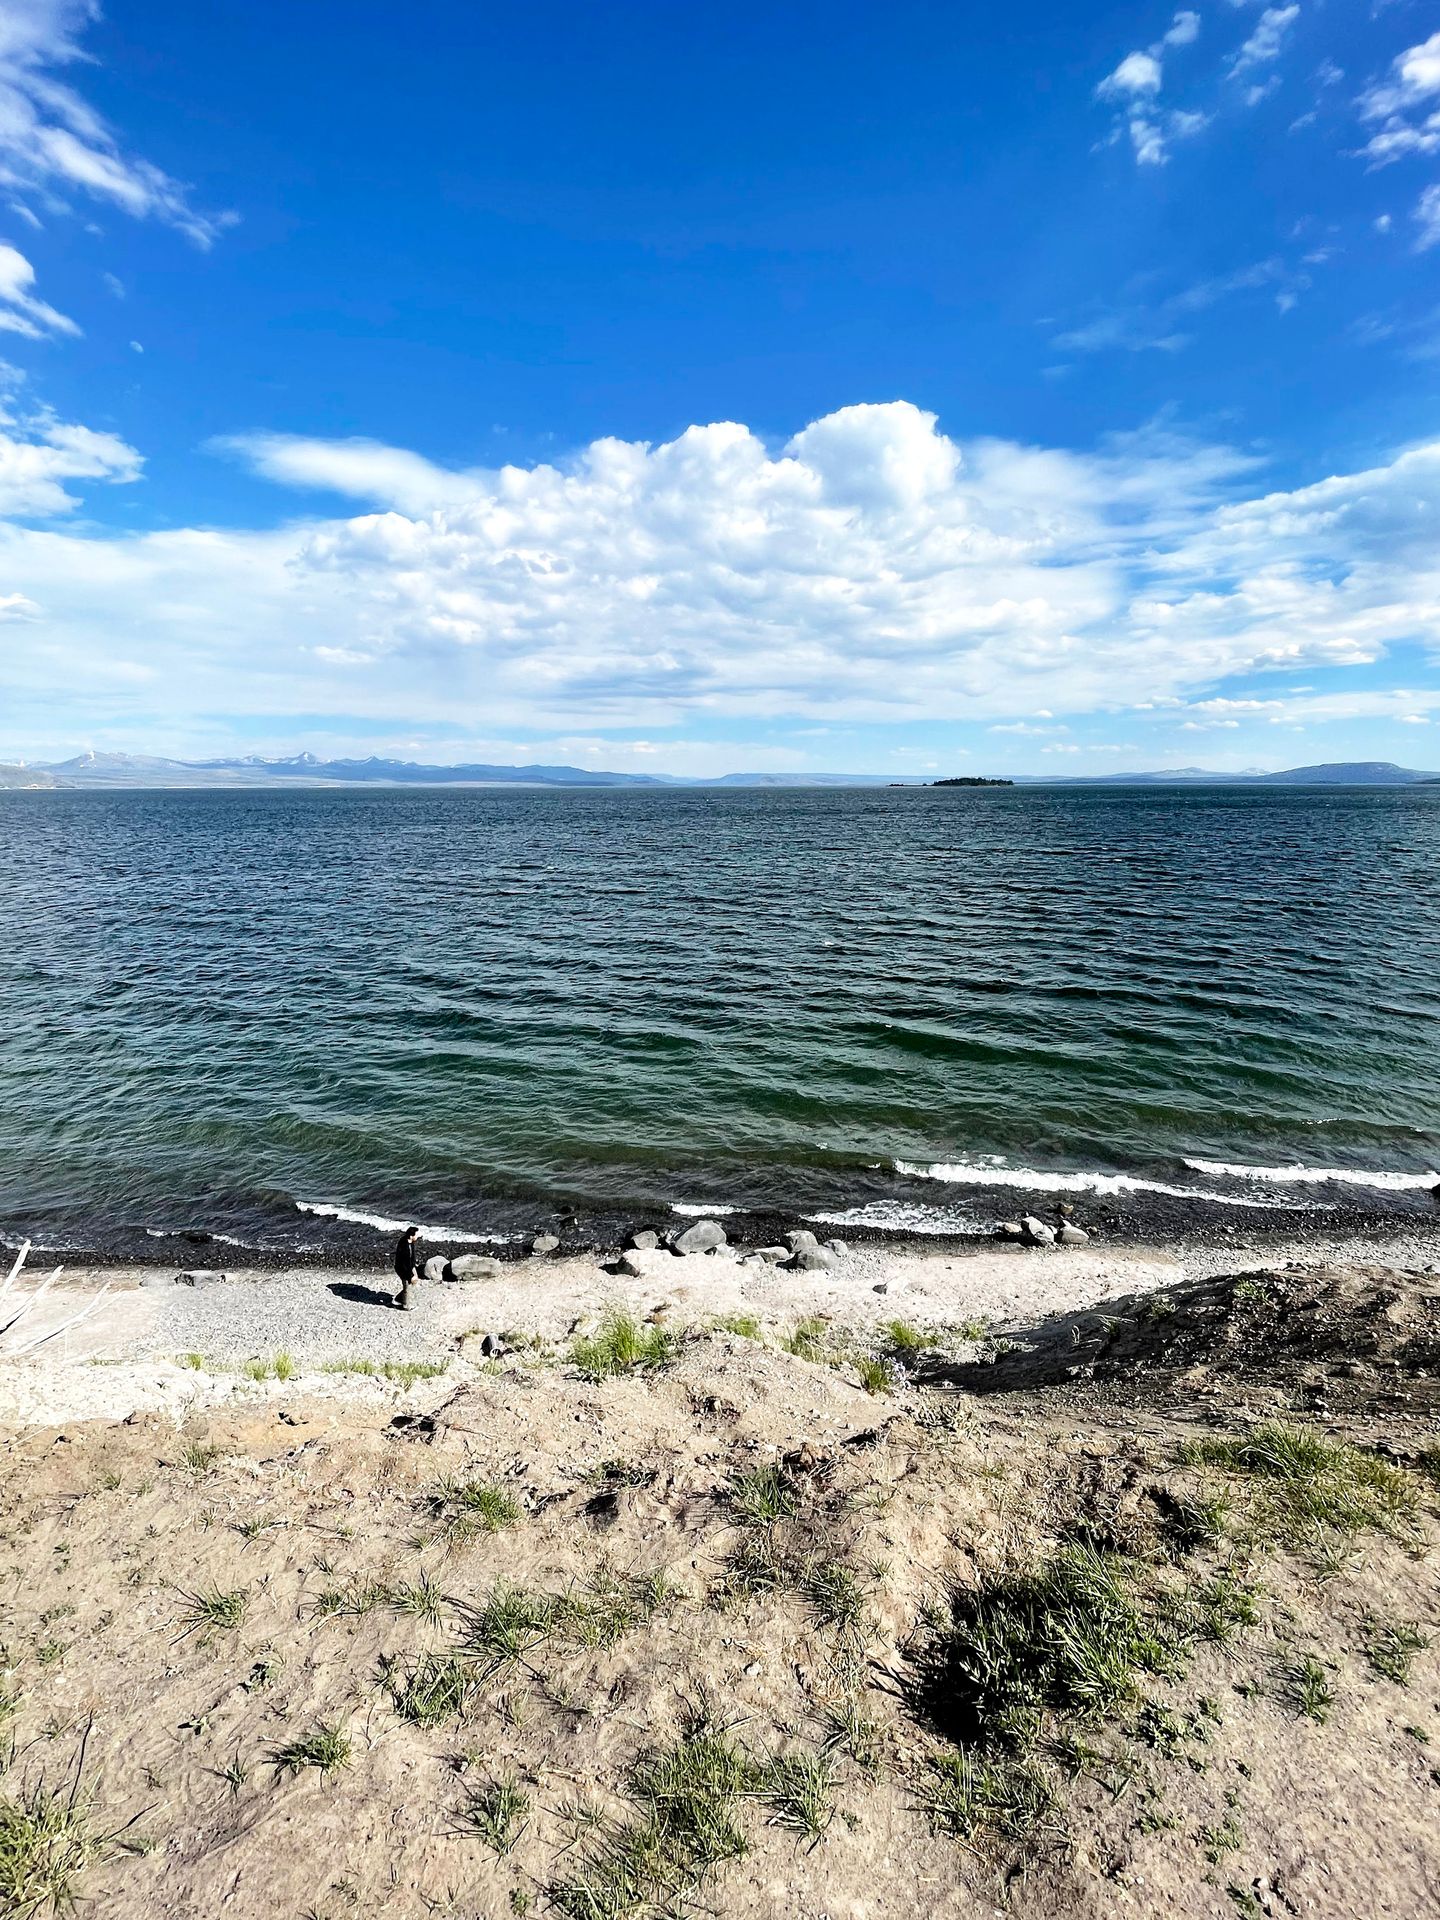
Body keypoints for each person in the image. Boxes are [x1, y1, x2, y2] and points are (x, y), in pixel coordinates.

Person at [393, 1226, 421, 1310]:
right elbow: (404, 1263)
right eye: (416, 1235)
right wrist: (410, 1275)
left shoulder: (410, 1242)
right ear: (411, 1236)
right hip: (402, 1269)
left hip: (410, 1266)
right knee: (407, 1286)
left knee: (414, 1282)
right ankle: (406, 1306)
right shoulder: (403, 1245)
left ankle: (398, 1299)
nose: (418, 1236)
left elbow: (411, 1257)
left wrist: (413, 1268)